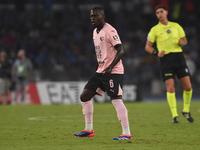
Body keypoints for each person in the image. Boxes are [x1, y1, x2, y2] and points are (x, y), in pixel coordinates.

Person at [74, 7, 132, 140]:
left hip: (113, 72)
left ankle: (127, 133)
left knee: (116, 100)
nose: (92, 18)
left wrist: (111, 68)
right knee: (84, 97)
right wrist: (97, 68)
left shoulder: (110, 30)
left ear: (103, 16)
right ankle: (89, 130)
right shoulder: (95, 32)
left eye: (95, 16)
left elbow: (121, 50)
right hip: (100, 71)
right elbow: (100, 53)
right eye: (91, 16)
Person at [145, 5, 194, 123]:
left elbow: (184, 41)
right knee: (170, 87)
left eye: (161, 11)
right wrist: (156, 53)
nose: (159, 14)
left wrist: (182, 42)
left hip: (179, 57)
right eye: (157, 13)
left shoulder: (176, 26)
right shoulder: (155, 29)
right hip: (166, 59)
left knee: (188, 87)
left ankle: (186, 110)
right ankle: (175, 115)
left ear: (166, 12)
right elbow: (148, 47)